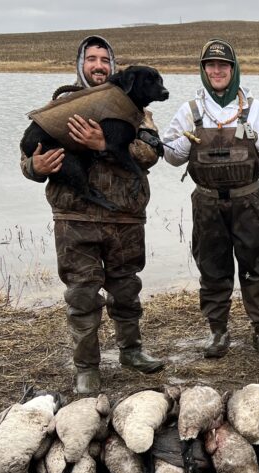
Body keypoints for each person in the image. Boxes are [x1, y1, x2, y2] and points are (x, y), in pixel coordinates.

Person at [21, 35, 165, 395]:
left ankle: (132, 352)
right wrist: (35, 166)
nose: (99, 65)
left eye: (105, 60)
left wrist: (104, 145)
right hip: (76, 218)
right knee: (82, 295)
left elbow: (150, 152)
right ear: (80, 65)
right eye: (92, 59)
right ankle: (87, 368)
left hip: (125, 217)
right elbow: (27, 159)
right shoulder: (61, 105)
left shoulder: (136, 109)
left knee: (127, 288)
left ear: (113, 68)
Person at [162, 38, 259, 358]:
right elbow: (170, 156)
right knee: (212, 268)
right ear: (203, 71)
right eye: (210, 65)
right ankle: (218, 332)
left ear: (234, 69)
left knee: (256, 266)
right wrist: (185, 143)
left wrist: (255, 137)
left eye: (223, 65)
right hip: (206, 203)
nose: (217, 70)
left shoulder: (254, 109)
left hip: (248, 201)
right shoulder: (189, 111)